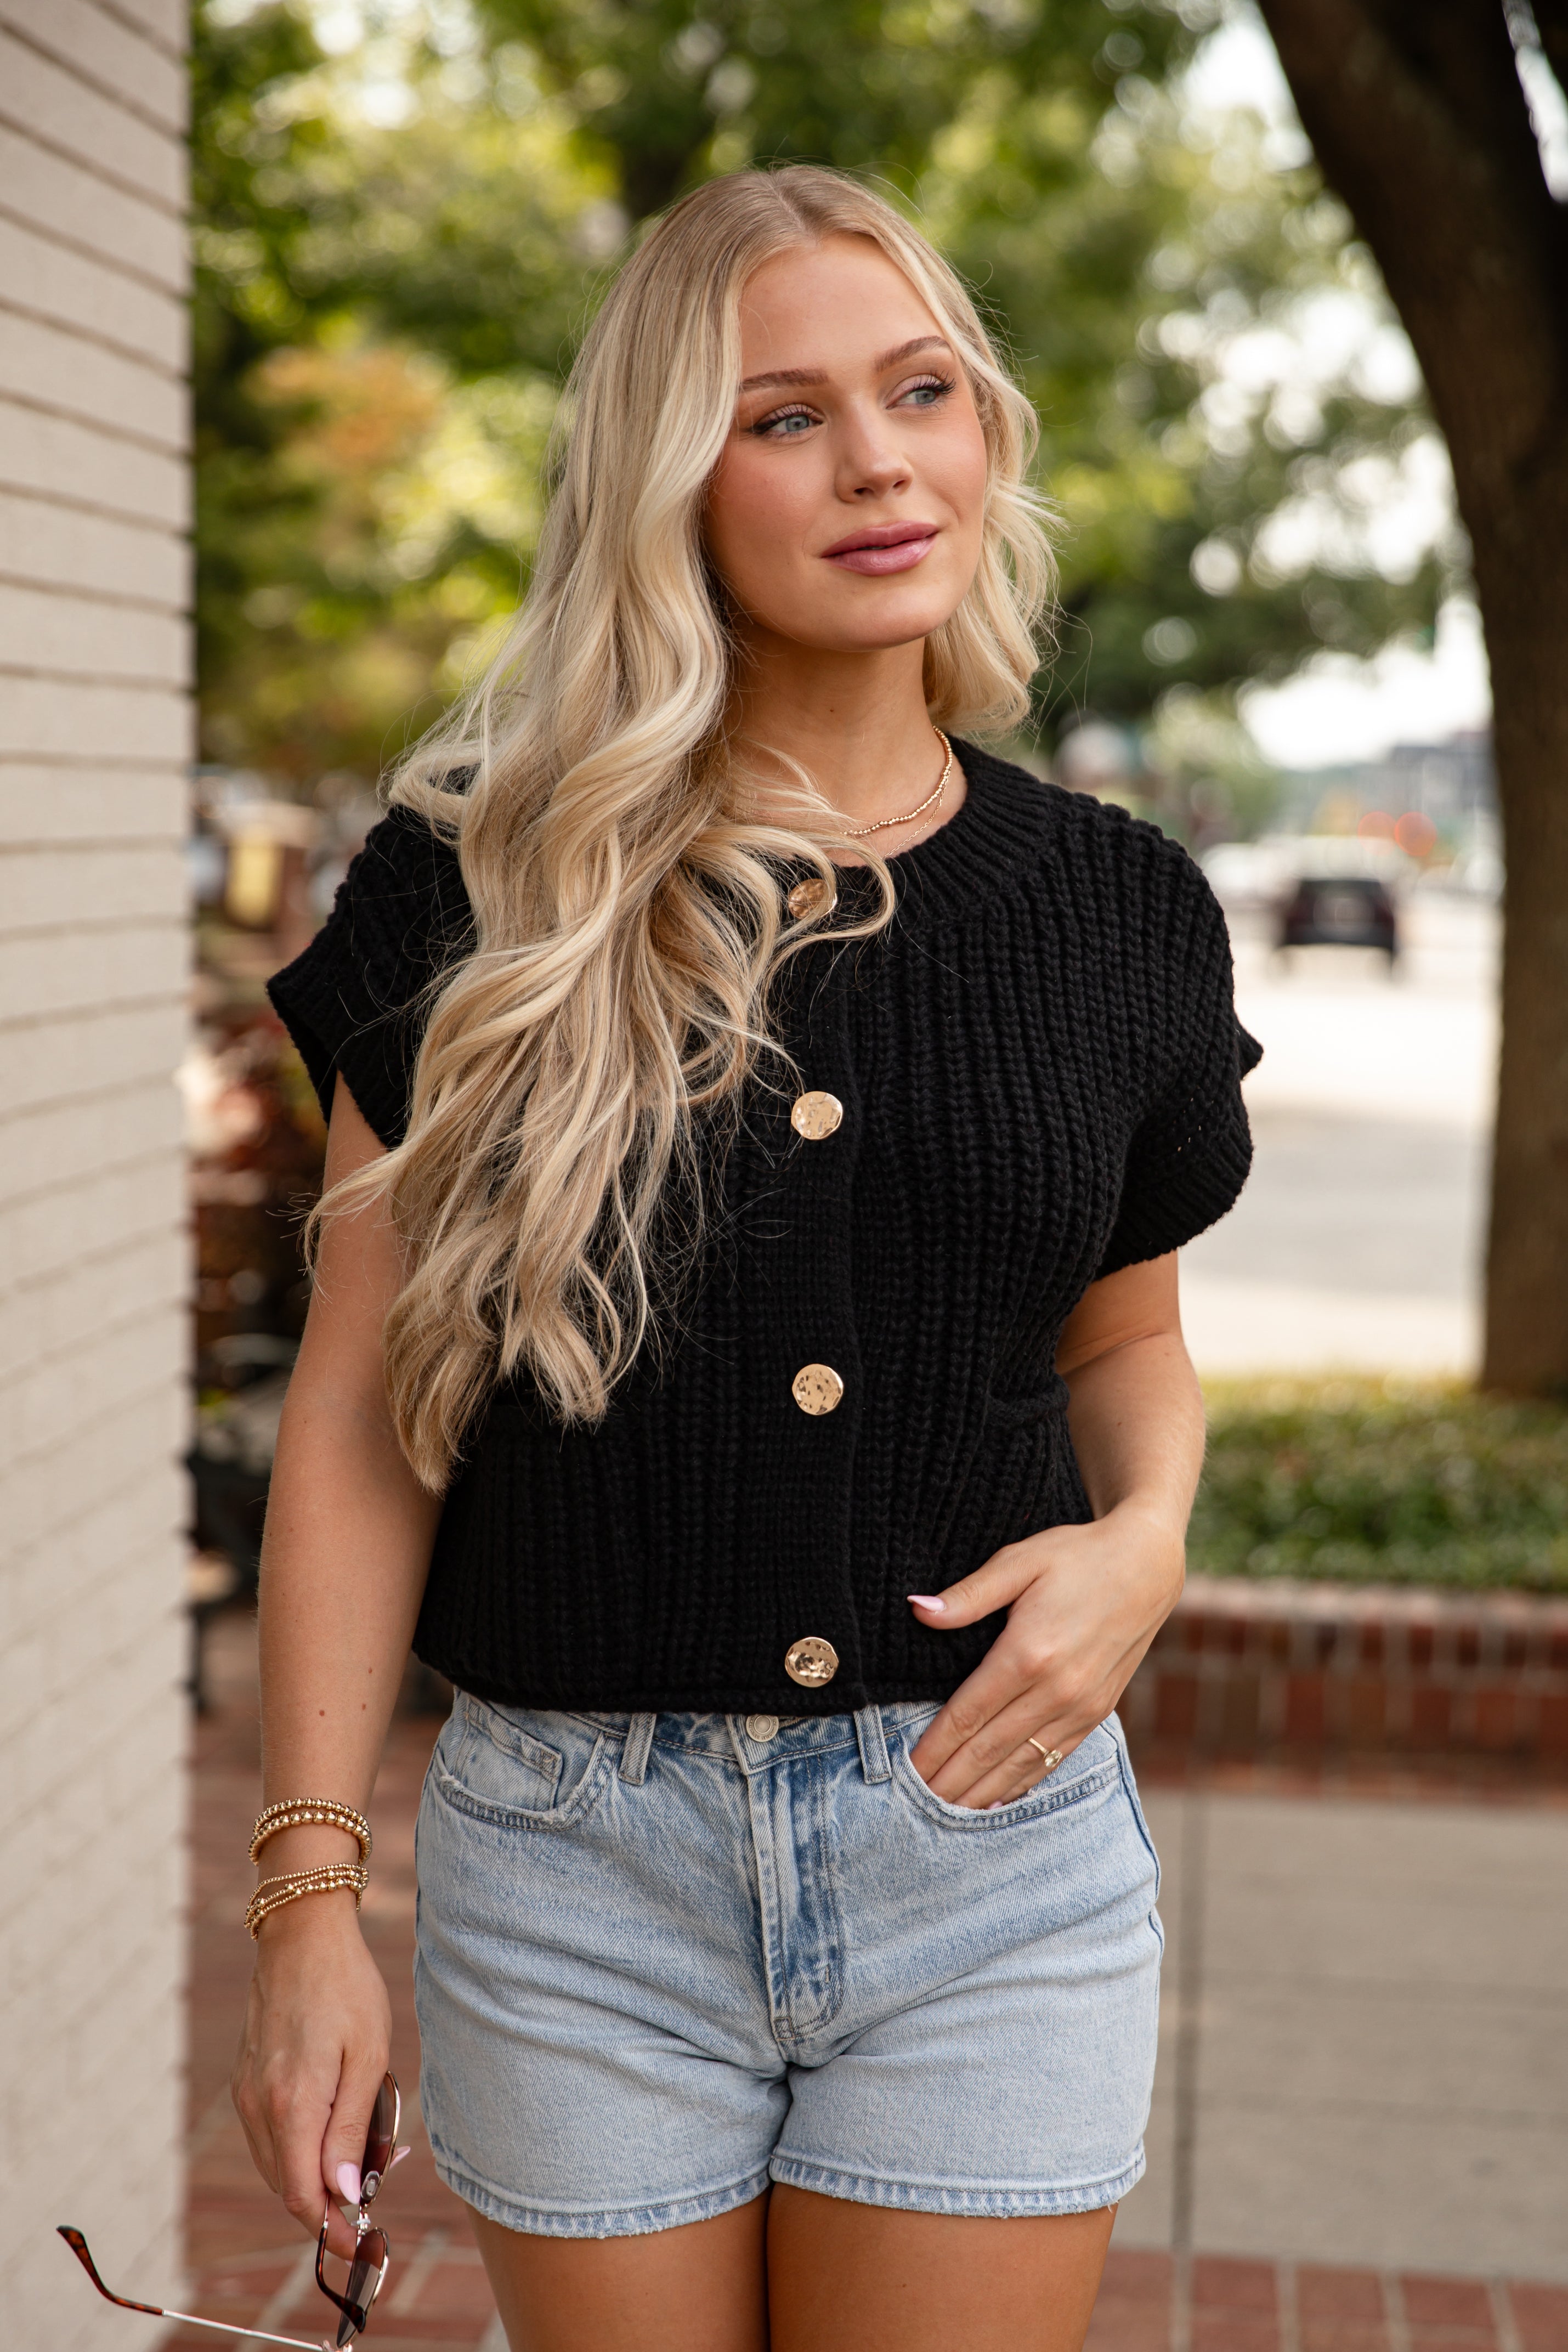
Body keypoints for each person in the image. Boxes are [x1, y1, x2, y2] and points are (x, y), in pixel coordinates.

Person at [235, 165, 1260, 2352]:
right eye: (782, 413)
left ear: (984, 436)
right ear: (667, 478)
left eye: (920, 391)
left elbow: (1132, 1342)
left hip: (984, 1846)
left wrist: (1148, 1540)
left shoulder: (1114, 910)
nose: (879, 458)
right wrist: (307, 1898)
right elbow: (356, 1414)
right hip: (576, 1868)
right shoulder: (475, 891)